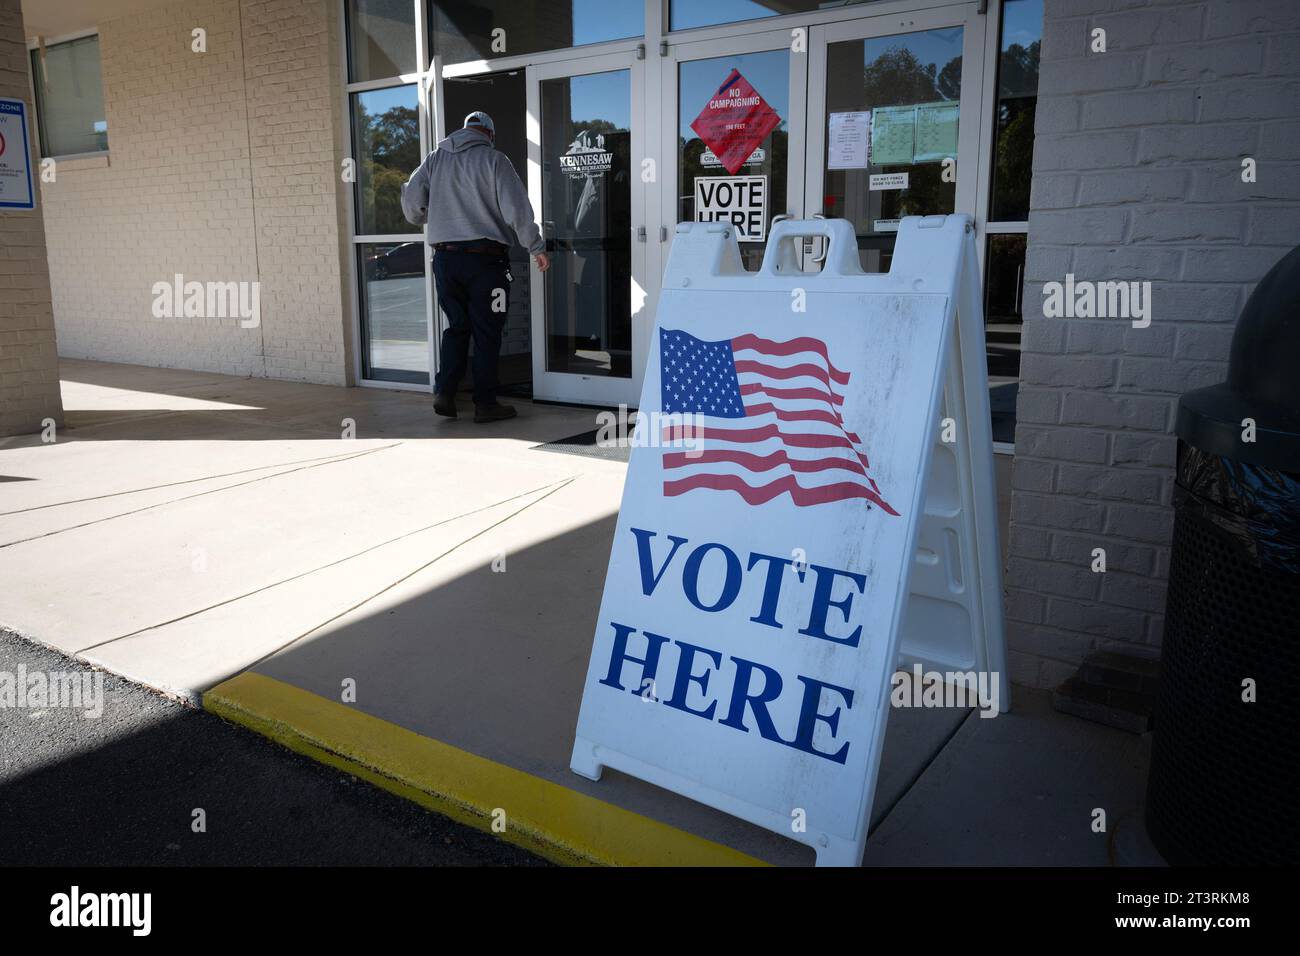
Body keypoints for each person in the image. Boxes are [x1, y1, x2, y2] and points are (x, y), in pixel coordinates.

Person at [401, 111, 549, 422]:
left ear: (464, 130)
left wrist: (426, 216)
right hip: (486, 260)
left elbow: (412, 197)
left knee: (457, 327)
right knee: (487, 332)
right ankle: (485, 403)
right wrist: (535, 247)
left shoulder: (435, 158)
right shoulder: (495, 160)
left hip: (446, 258)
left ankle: (445, 391)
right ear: (489, 135)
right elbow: (517, 208)